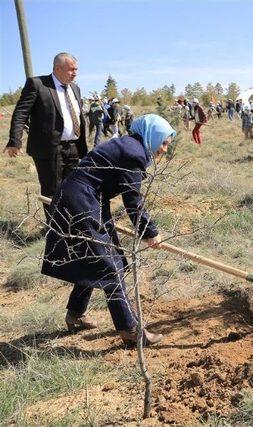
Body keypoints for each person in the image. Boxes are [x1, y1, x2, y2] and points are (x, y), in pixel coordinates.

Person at [42, 114, 176, 347]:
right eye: (163, 143)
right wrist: (150, 232)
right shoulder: (134, 152)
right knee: (109, 267)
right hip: (79, 203)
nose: (164, 149)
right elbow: (133, 200)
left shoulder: (131, 145)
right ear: (152, 136)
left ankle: (75, 314)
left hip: (86, 199)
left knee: (103, 260)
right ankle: (131, 331)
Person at [4, 52, 88, 222]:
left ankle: (71, 226)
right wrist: (15, 140)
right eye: (71, 69)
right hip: (49, 149)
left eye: (76, 69)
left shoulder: (75, 88)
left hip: (74, 147)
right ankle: (55, 231)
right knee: (52, 190)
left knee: (73, 188)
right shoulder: (38, 84)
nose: (75, 73)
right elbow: (21, 113)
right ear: (58, 68)